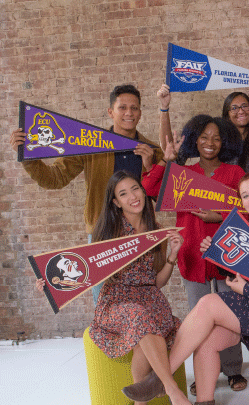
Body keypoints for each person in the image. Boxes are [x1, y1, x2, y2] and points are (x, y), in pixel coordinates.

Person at [121, 171, 249, 405]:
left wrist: (246, 290)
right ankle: (204, 401)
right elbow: (239, 272)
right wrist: (218, 255)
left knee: (209, 303)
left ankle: (160, 379)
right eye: (245, 195)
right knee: (206, 340)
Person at [37, 170, 185, 405]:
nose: (132, 196)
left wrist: (173, 256)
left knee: (142, 334)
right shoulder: (108, 233)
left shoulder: (156, 230)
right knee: (139, 318)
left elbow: (157, 282)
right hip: (117, 301)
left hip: (151, 299)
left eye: (135, 189)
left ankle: (140, 402)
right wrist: (50, 281)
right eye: (123, 194)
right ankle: (171, 389)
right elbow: (82, 269)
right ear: (116, 202)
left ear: (143, 191)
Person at [12, 84, 163, 303]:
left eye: (134, 108)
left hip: (141, 233)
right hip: (102, 232)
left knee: (144, 300)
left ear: (140, 112)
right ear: (111, 112)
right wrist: (28, 155)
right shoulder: (90, 143)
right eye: (122, 107)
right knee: (103, 303)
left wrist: (150, 166)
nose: (129, 113)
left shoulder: (151, 149)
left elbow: (164, 198)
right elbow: (55, 178)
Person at [141, 115, 247, 394]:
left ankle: (233, 369)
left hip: (228, 254)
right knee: (197, 319)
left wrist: (219, 216)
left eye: (216, 138)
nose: (209, 143)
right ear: (195, 141)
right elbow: (150, 189)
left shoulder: (235, 174)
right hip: (192, 255)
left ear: (224, 142)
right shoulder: (182, 173)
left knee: (229, 312)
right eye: (203, 137)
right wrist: (166, 160)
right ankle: (203, 373)